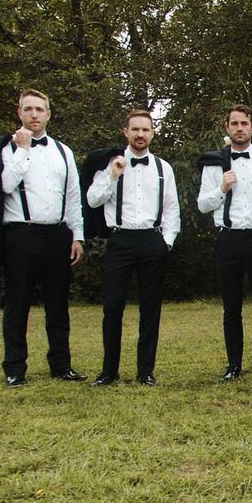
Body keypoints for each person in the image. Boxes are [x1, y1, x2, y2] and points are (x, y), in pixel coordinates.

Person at [0, 89, 87, 387]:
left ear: (48, 114)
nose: (34, 114)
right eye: (28, 109)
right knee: (17, 303)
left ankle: (61, 364)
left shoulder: (63, 151)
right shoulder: (6, 148)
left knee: (58, 304)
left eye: (39, 109)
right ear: (19, 113)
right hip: (20, 233)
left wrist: (77, 236)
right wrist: (24, 149)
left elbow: (72, 197)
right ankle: (14, 367)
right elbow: (4, 185)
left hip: (57, 233)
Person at [86, 109, 181, 387]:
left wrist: (167, 241)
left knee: (150, 308)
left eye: (146, 129)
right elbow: (92, 200)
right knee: (113, 306)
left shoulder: (164, 168)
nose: (140, 134)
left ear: (152, 133)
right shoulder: (110, 165)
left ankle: (145, 371)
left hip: (153, 242)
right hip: (121, 241)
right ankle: (108, 371)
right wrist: (113, 176)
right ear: (125, 133)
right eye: (135, 129)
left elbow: (172, 208)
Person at [197, 104, 252, 383]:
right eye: (234, 123)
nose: (239, 128)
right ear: (227, 128)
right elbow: (202, 205)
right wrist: (221, 187)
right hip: (228, 238)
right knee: (231, 306)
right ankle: (233, 365)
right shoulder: (214, 164)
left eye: (244, 123)